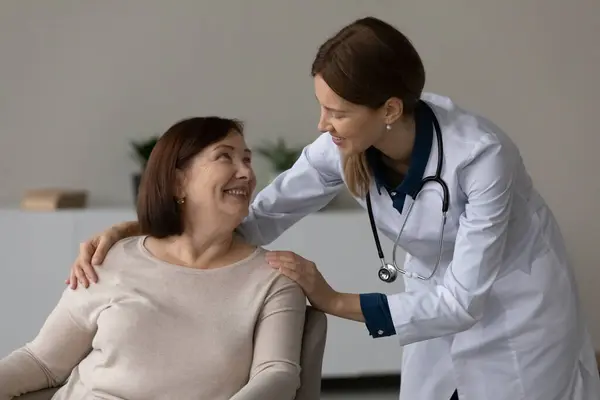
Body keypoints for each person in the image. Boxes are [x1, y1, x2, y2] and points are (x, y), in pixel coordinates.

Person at [67, 17, 600, 400]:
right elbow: (258, 217)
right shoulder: (342, 145)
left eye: (337, 111)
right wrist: (143, 232)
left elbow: (463, 300)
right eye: (321, 105)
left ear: (389, 110)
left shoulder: (482, 157)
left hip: (514, 307)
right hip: (432, 297)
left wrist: (333, 299)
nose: (322, 124)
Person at [0, 117, 307, 400]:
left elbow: (276, 374)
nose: (247, 173)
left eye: (247, 159)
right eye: (225, 156)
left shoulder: (275, 278)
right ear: (177, 182)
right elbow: (42, 362)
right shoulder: (111, 259)